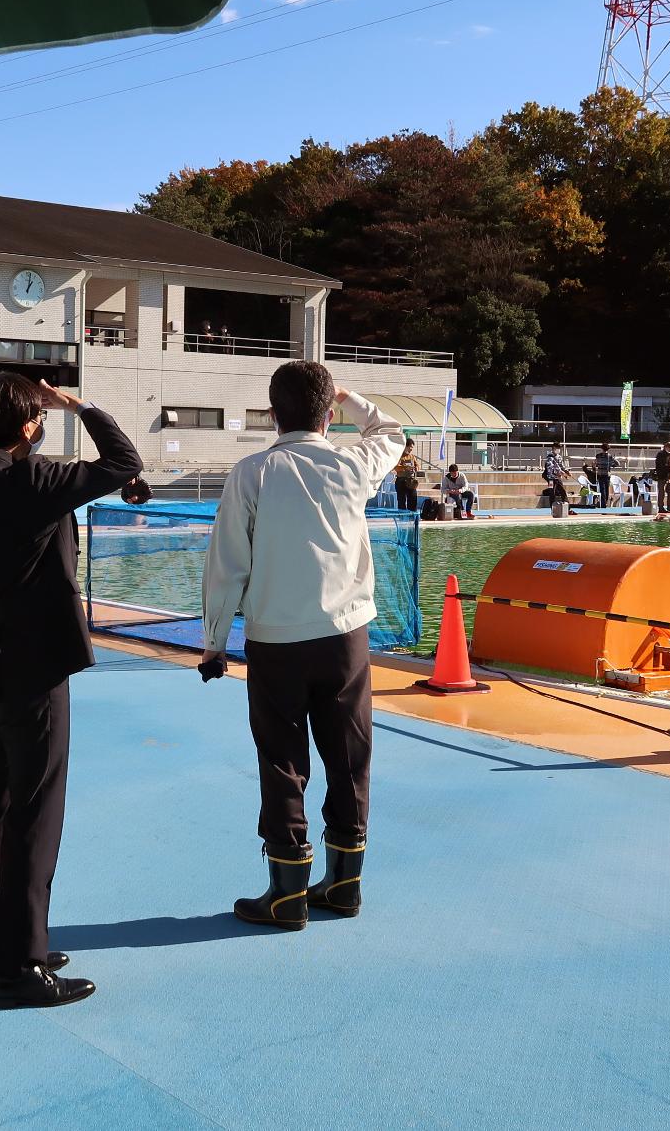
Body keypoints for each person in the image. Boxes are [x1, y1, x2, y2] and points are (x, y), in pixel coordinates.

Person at [0, 373, 140, 1009]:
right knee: (35, 812)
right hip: (37, 666)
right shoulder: (35, 481)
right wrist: (81, 404)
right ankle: (20, 966)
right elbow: (125, 462)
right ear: (28, 426)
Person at [199, 363, 406, 930]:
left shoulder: (251, 472)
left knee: (282, 760)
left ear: (272, 414)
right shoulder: (353, 463)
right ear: (329, 415)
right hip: (345, 637)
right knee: (349, 755)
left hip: (275, 639)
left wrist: (215, 643)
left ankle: (287, 890)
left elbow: (226, 565)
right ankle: (344, 885)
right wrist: (352, 399)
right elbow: (393, 433)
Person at [393, 440, 422, 513]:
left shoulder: (412, 456)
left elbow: (417, 465)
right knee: (401, 500)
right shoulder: (399, 456)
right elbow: (396, 467)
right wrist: (405, 467)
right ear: (405, 446)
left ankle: (412, 516)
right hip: (401, 481)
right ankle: (402, 517)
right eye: (410, 447)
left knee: (413, 499)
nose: (411, 449)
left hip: (411, 481)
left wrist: (416, 468)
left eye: (412, 448)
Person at [542, 444, 571, 510]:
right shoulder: (549, 457)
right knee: (552, 492)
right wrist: (560, 472)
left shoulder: (559, 457)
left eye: (559, 448)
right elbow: (551, 468)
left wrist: (566, 472)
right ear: (553, 449)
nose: (558, 450)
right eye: (557, 448)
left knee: (563, 491)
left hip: (558, 478)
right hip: (551, 478)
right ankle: (553, 508)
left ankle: (567, 507)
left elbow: (561, 466)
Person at [654, 441, 670, 514]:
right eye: (669, 448)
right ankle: (661, 507)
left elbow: (667, 464)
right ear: (666, 447)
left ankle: (669, 507)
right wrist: (669, 467)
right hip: (661, 476)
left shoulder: (668, 454)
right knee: (662, 492)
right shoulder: (660, 454)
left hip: (667, 476)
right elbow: (660, 466)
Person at [594, 444, 617, 508]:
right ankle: (606, 502)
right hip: (607, 474)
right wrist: (611, 465)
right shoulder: (610, 456)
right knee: (607, 490)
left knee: (602, 489)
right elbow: (617, 463)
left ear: (602, 448)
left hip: (600, 474)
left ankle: (603, 503)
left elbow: (595, 463)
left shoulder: (598, 456)